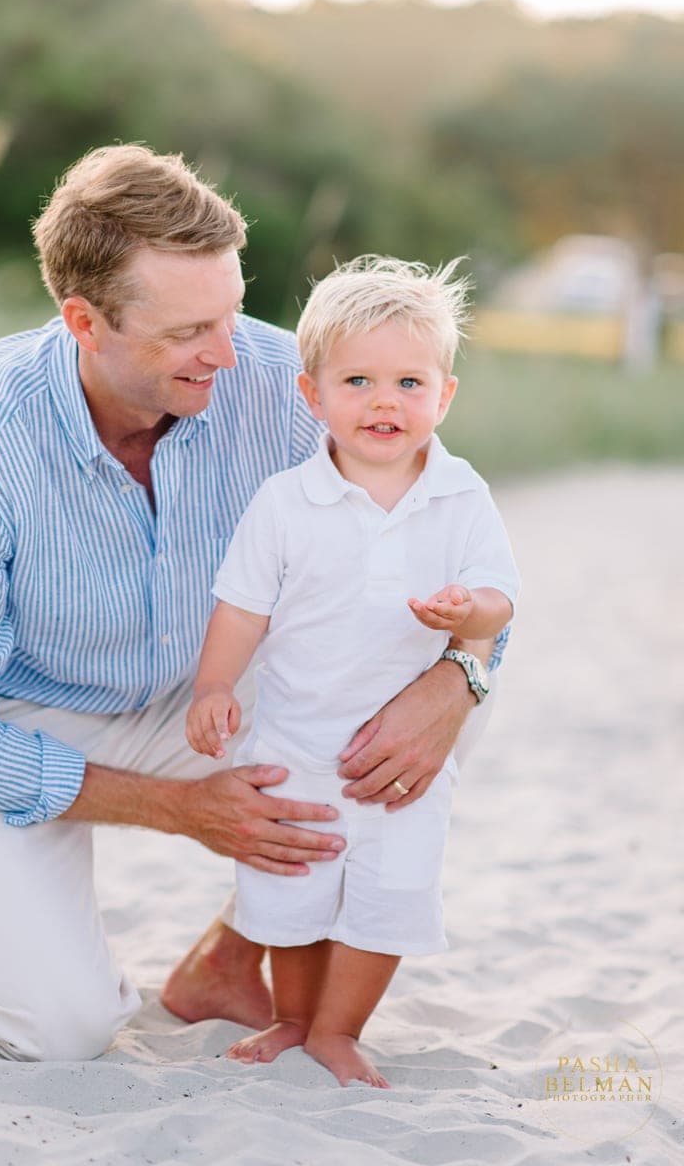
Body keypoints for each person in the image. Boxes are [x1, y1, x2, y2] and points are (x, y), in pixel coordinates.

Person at [0, 145, 499, 1063]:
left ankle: (227, 961)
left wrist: (462, 677)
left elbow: (452, 537)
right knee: (60, 1031)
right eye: (188, 332)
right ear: (86, 321)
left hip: (198, 696)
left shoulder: (288, 384)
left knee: (417, 718)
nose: (229, 353)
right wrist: (182, 809)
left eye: (233, 313)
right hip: (2, 718)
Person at [186, 256, 520, 1087]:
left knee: (386, 896)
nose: (384, 401)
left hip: (401, 762)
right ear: (313, 396)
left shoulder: (460, 494)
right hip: (296, 741)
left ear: (444, 396)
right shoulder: (284, 502)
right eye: (359, 380)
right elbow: (241, 608)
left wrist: (466, 614)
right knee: (293, 892)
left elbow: (501, 600)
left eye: (410, 382)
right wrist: (214, 687)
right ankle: (293, 1017)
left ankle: (338, 1029)